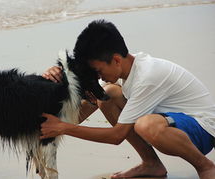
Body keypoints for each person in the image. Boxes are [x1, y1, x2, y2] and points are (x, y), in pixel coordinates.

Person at [40, 19, 215, 179]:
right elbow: (78, 116)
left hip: (203, 128)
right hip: (177, 122)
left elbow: (116, 136)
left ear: (116, 60)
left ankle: (205, 166)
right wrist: (59, 79)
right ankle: (151, 164)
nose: (97, 76)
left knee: (146, 126)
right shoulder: (121, 71)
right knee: (107, 95)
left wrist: (63, 128)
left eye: (99, 71)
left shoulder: (147, 76)